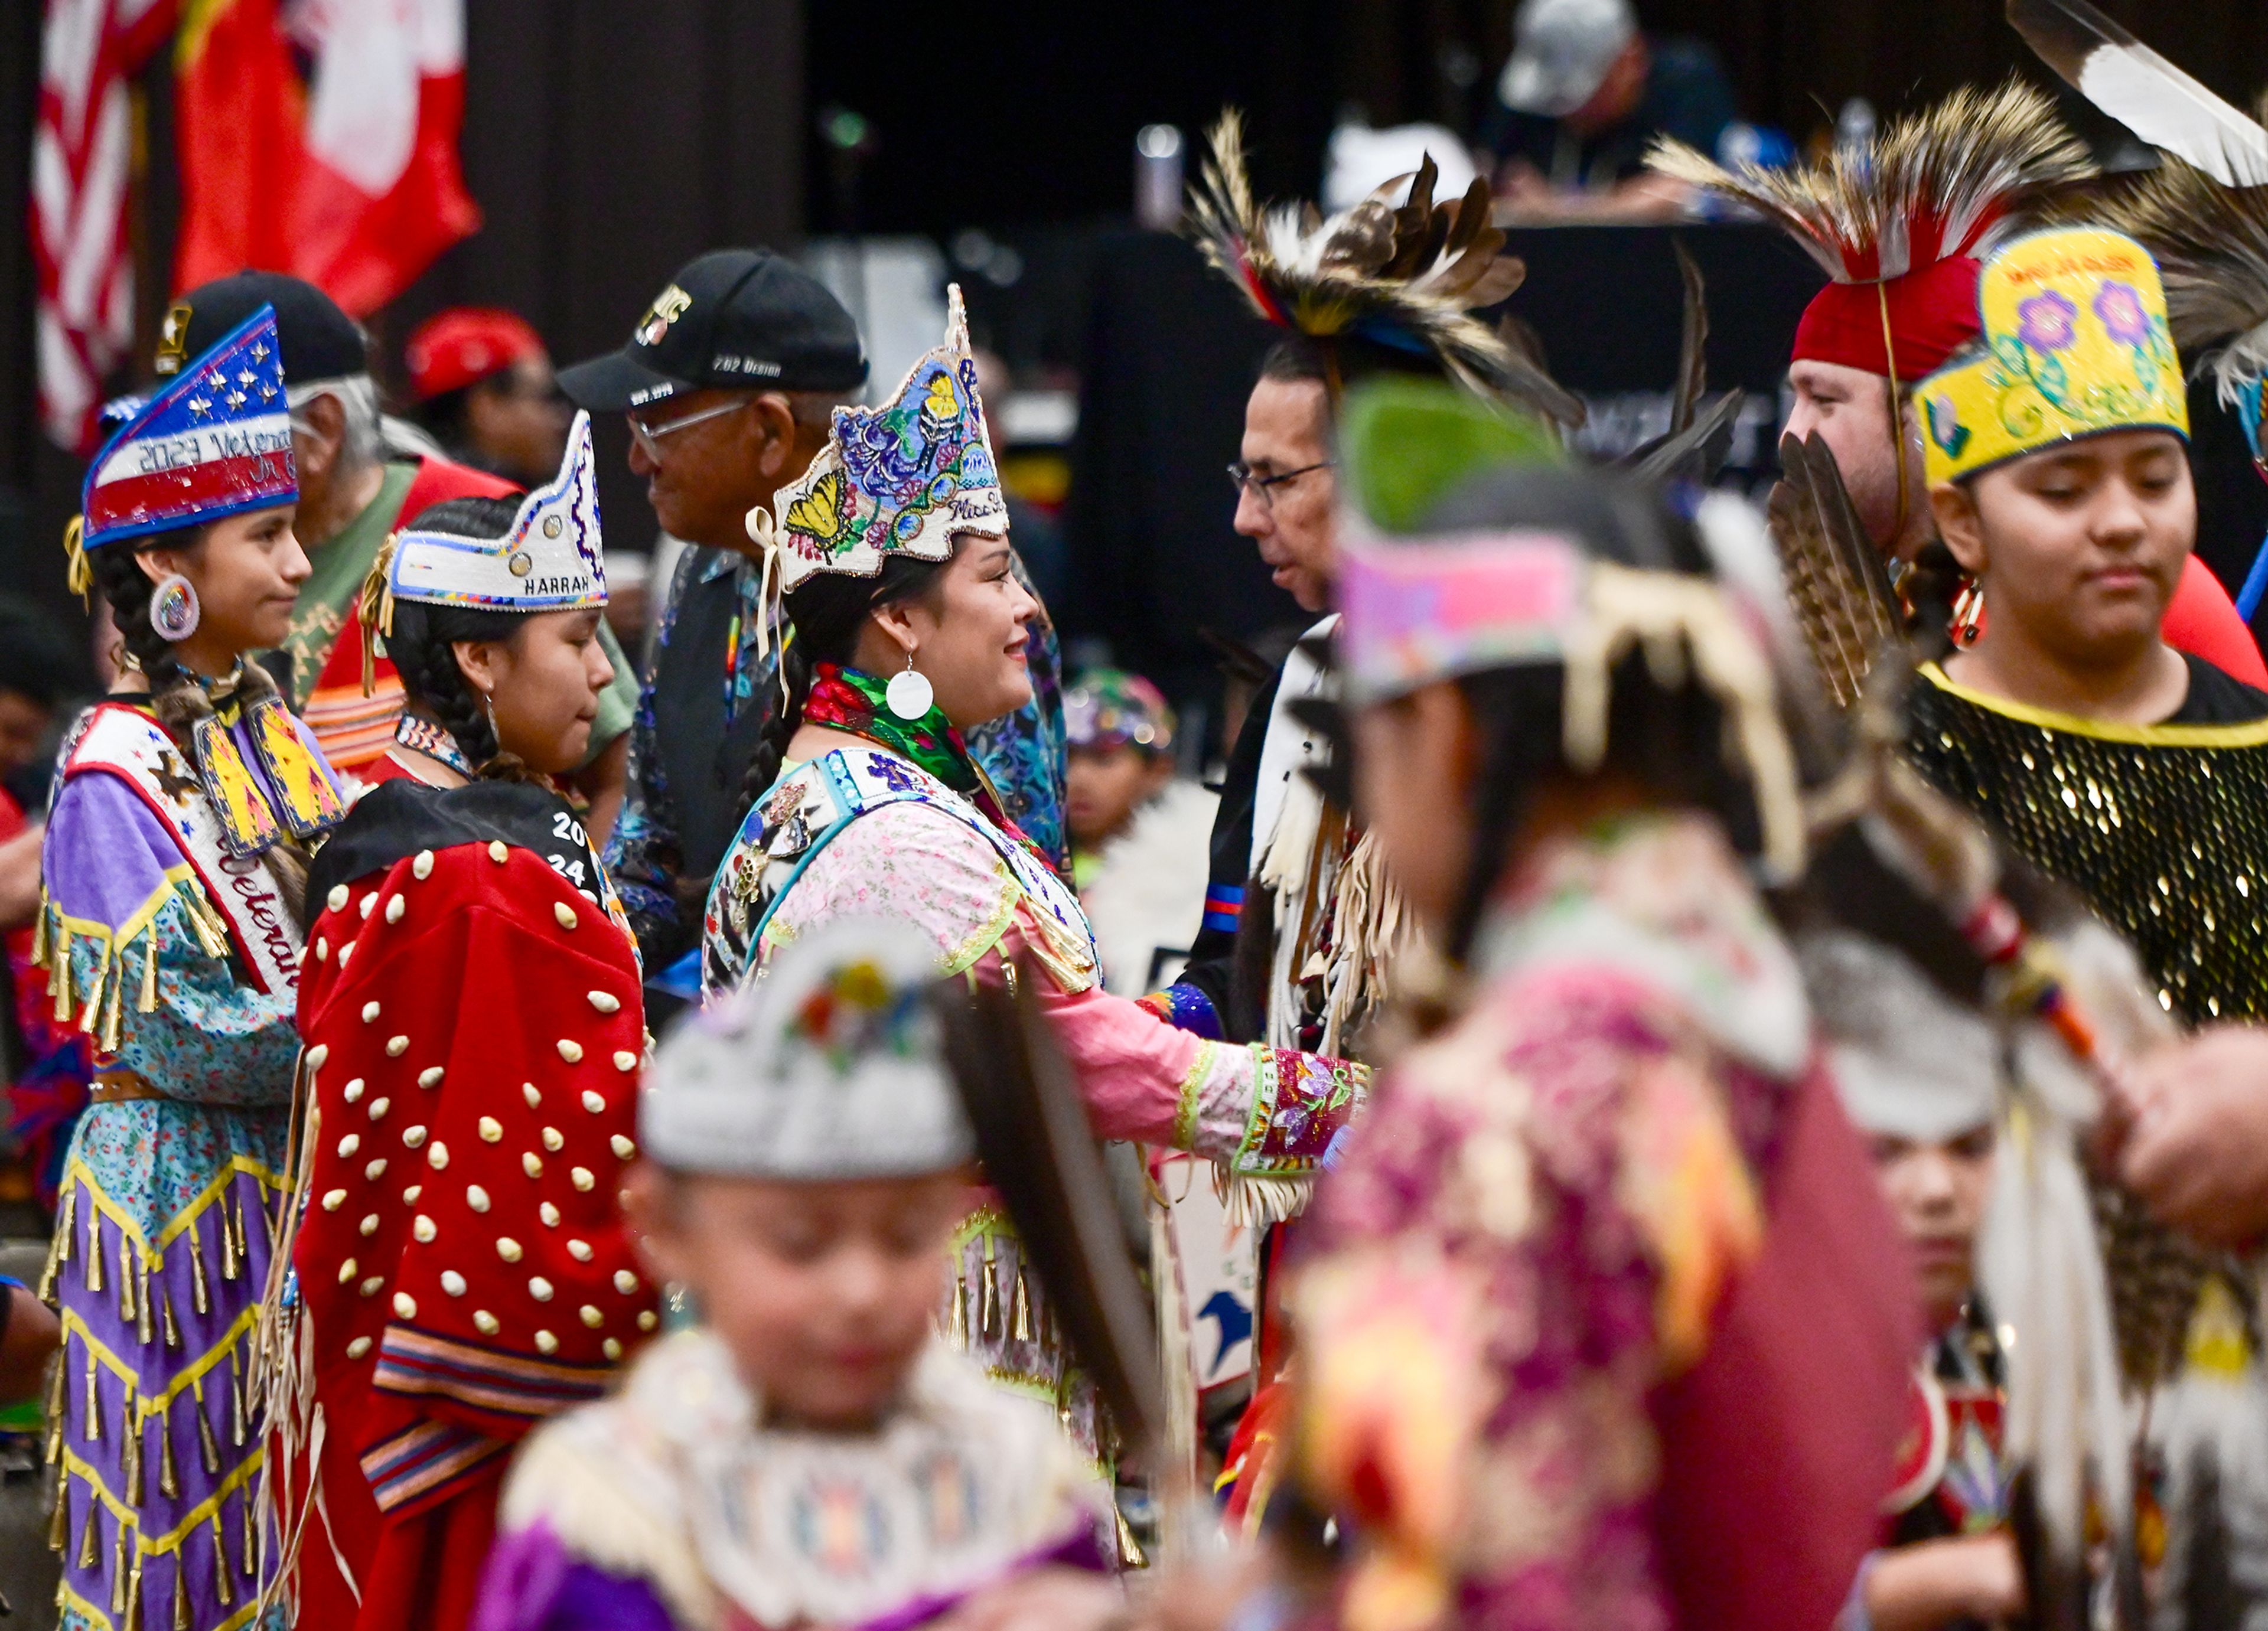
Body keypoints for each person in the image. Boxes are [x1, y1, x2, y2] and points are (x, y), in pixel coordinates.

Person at [1272, 379, 1912, 1629]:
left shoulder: (1499, 1110)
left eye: (1369, 755)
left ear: (1444, 730)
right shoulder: (1757, 984)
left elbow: (1481, 1580)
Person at [703, 289, 1366, 1467]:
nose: (1029, 609)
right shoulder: (889, 833)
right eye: (998, 576)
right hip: (935, 1334)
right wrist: (1338, 1105)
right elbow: (1067, 1052)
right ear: (902, 620)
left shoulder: (849, 790)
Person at [1904, 225, 2268, 1621]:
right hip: (1962, 1403)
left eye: (2151, 475)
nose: (2120, 520)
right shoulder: (1879, 777)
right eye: (2061, 486)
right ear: (1960, 520)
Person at [262, 412, 654, 1631]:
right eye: (579, 639)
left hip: (400, 1350)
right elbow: (531, 1154)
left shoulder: (408, 836)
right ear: (481, 661)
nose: (601, 672)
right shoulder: (473, 871)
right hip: (474, 1366)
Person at [472, 916, 1114, 1631]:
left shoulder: (1020, 1474)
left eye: (906, 1238)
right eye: (800, 1244)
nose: (862, 1290)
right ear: (667, 1229)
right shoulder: (619, 1501)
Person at [37, 304, 348, 1629]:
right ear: (168, 569)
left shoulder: (265, 723)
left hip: (271, 1180)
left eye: (291, 531)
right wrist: (369, 1033)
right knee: (181, 1533)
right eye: (264, 539)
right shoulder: (113, 769)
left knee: (272, 1524)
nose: (295, 563)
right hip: (172, 1197)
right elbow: (188, 1027)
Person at [1650, 81, 2268, 687]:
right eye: (1798, 399)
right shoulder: (1897, 594)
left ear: (1927, 423)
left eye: (1825, 401)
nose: (1794, 432)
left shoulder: (2119, 585)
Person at [561, 252, 1073, 977]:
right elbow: (651, 851)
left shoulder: (960, 588)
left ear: (769, 432)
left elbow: (1025, 902)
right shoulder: (706, 569)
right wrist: (564, 951)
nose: (638, 460)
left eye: (656, 427)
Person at [150, 273, 642, 823]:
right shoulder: (194, 560)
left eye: (206, 436)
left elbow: (619, 778)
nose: (181, 463)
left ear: (323, 427)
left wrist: (583, 901)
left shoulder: (486, 529)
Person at [1801, 932, 2025, 1631]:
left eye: (1970, 1146)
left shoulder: (2042, 1352)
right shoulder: (1743, 1360)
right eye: (1886, 1149)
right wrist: (1920, 1587)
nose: (1936, 1189)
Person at [1482, 0, 1736, 217]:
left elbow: (1681, 191)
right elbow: (1493, 177)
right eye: (1551, 98)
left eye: (1576, 95)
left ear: (1631, 60)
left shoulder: (1686, 82)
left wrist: (1559, 212)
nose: (1563, 112)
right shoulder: (1524, 101)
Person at [1064, 669, 1216, 997]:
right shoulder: (1029, 856)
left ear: (1158, 770)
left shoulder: (1189, 878)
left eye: (1103, 759)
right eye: (1067, 756)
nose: (1078, 778)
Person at [404, 306, 573, 487]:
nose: (561, 417)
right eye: (545, 397)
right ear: (486, 407)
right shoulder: (494, 507)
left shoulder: (411, 490)